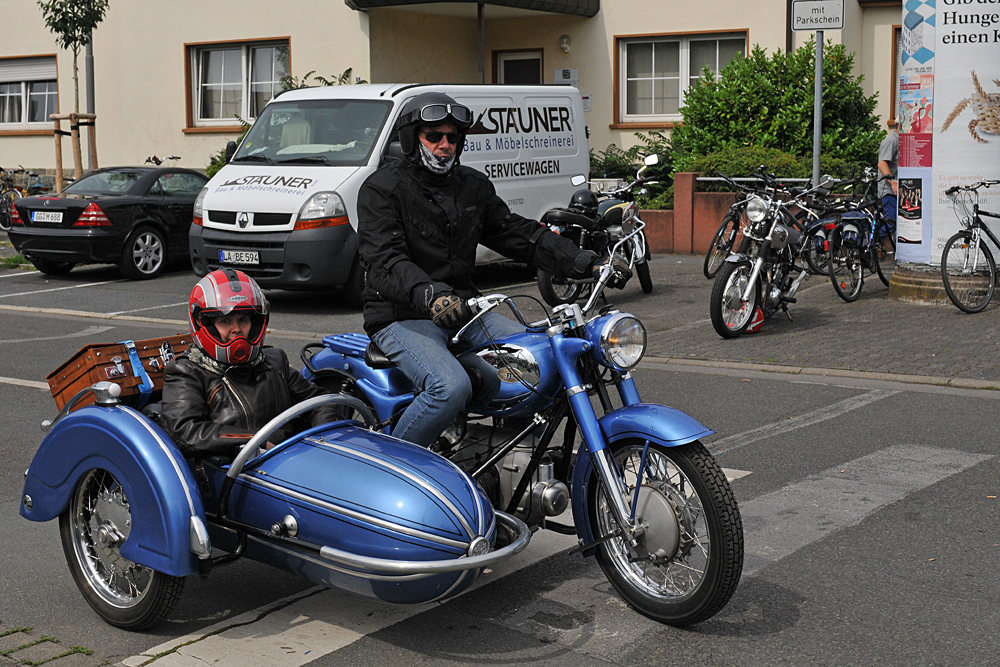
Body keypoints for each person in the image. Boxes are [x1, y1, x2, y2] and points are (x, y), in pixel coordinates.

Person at [356, 91, 629, 448]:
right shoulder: (382, 189)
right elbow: (386, 261)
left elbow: (519, 233)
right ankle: (394, 468)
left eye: (452, 137)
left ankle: (504, 452)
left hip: (464, 310)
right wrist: (432, 294)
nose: (445, 145)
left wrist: (587, 261)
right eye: (433, 136)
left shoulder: (472, 186)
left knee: (542, 361)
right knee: (449, 388)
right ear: (411, 139)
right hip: (401, 315)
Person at [160, 268, 339, 459]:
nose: (236, 329)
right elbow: (186, 431)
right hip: (234, 472)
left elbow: (321, 401)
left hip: (289, 459)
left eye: (243, 320)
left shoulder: (274, 361)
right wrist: (254, 441)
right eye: (225, 321)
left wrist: (323, 442)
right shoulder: (186, 372)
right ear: (205, 325)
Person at [877, 124, 899, 247]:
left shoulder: (902, 141)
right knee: (891, 223)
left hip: (897, 189)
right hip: (889, 190)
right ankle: (872, 243)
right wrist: (892, 182)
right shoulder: (891, 141)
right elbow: (882, 163)